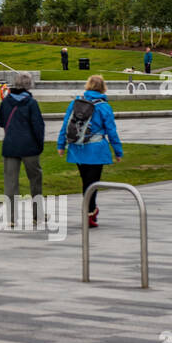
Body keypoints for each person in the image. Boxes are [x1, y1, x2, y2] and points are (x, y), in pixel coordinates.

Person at [57, 75, 124, 229]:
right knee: (92, 183)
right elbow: (111, 131)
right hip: (96, 149)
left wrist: (61, 144)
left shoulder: (75, 103)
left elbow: (66, 125)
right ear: (103, 88)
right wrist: (118, 151)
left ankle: (90, 211)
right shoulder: (104, 107)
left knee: (86, 181)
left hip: (78, 148)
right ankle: (90, 212)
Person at [0, 72, 46, 228]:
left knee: (11, 183)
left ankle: (11, 218)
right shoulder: (31, 103)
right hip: (30, 147)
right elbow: (38, 126)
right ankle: (37, 215)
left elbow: (0, 121)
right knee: (35, 180)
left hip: (10, 145)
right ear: (29, 85)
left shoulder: (6, 101)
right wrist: (39, 145)